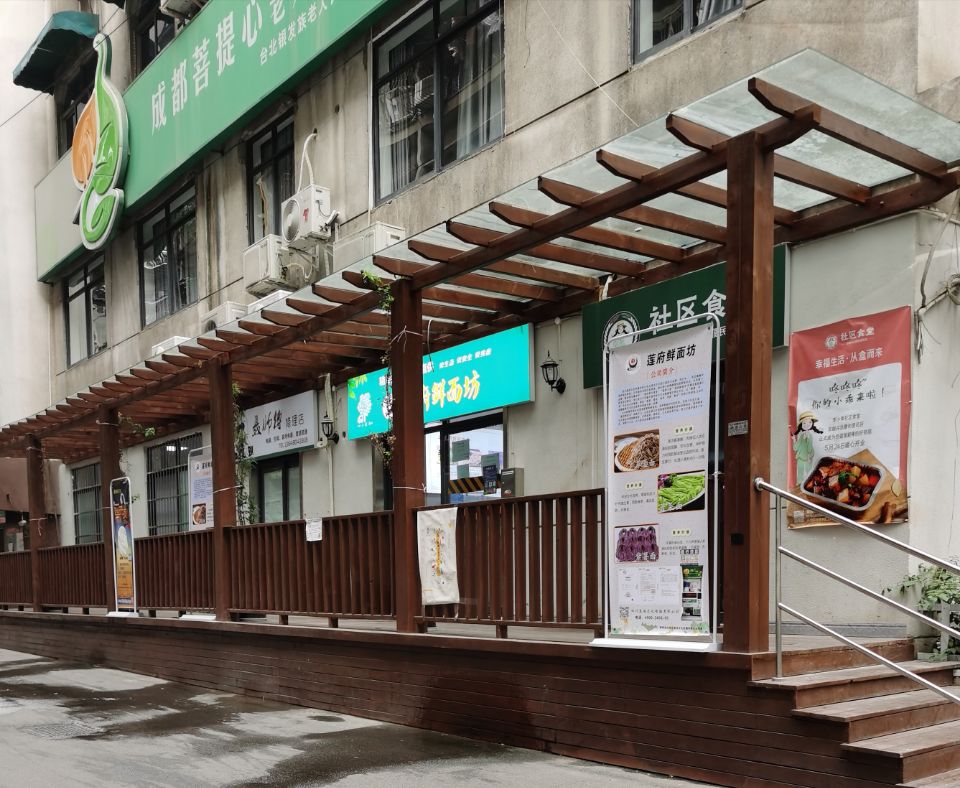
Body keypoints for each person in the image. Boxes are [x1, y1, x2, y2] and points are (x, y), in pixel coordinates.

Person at [792, 411, 823, 486]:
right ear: (801, 425)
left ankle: (809, 482)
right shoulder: (802, 436)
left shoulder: (810, 436)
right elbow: (796, 447)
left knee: (808, 470)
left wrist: (809, 456)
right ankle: (799, 482)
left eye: (809, 422)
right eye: (804, 423)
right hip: (800, 456)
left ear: (812, 423)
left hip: (808, 456)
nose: (807, 424)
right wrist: (794, 439)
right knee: (800, 469)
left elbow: (809, 448)